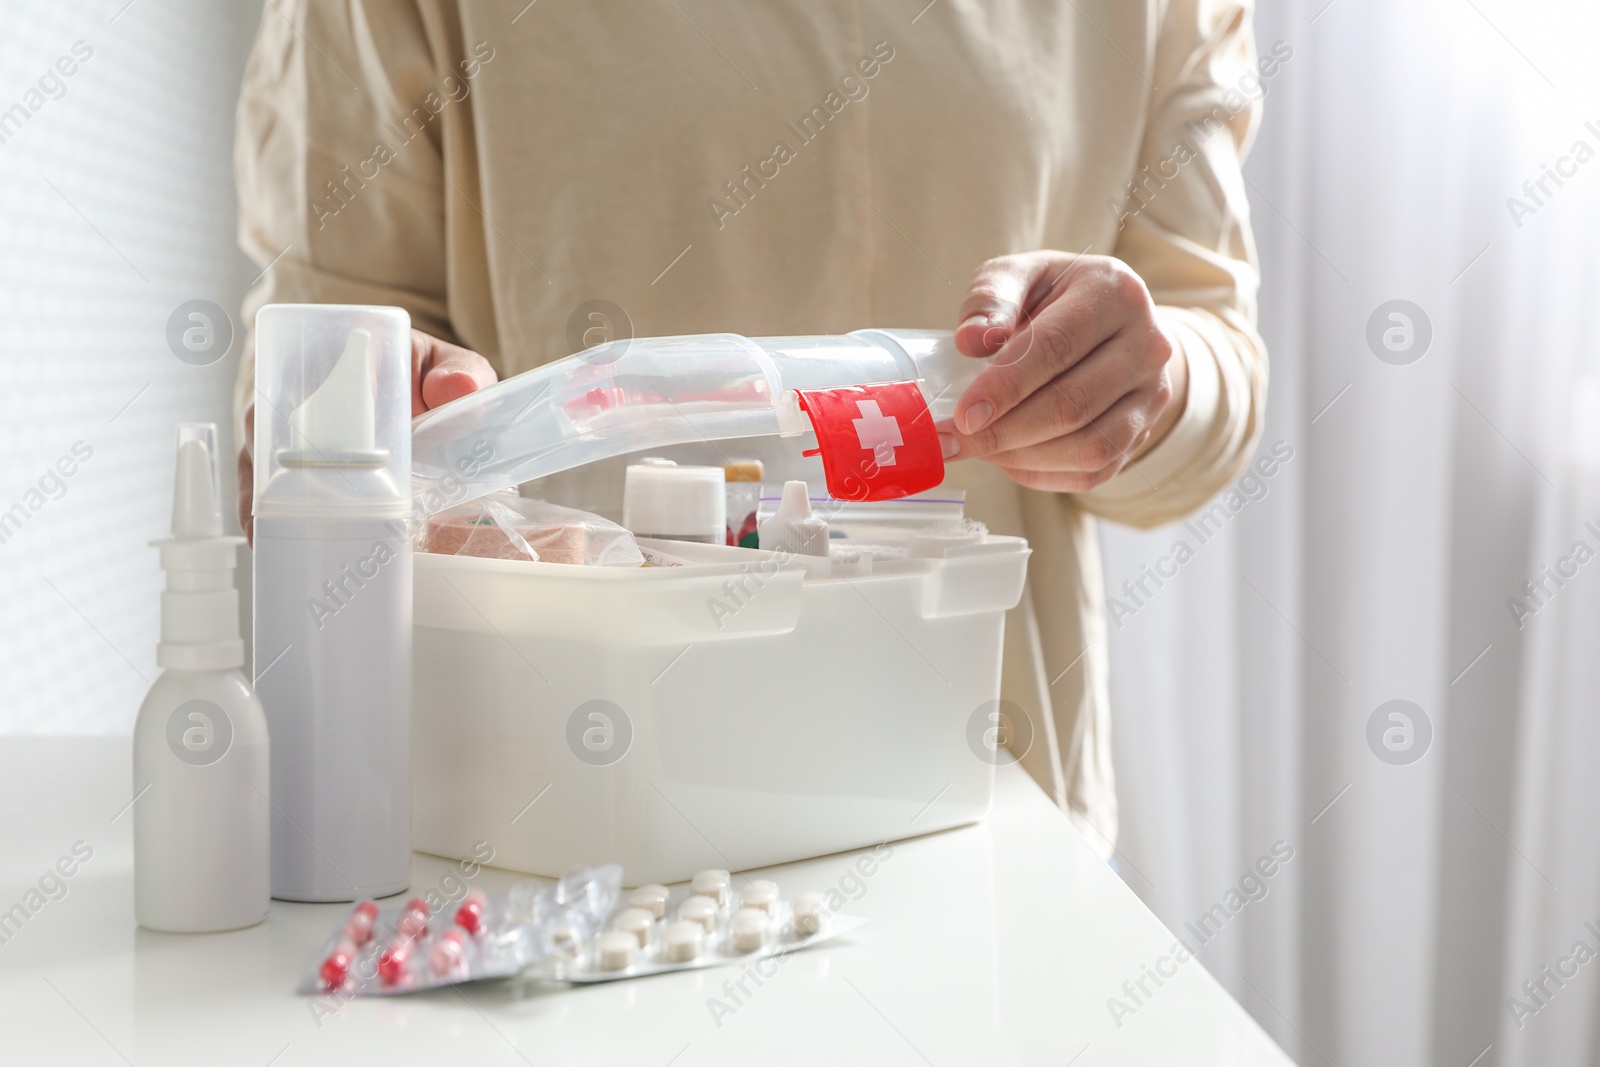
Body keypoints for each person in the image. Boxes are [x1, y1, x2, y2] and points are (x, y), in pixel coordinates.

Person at [234, 1, 1268, 855]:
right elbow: (317, 338)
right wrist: (365, 410)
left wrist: (1137, 381)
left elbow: (1210, 345)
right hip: (556, 808)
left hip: (980, 800)